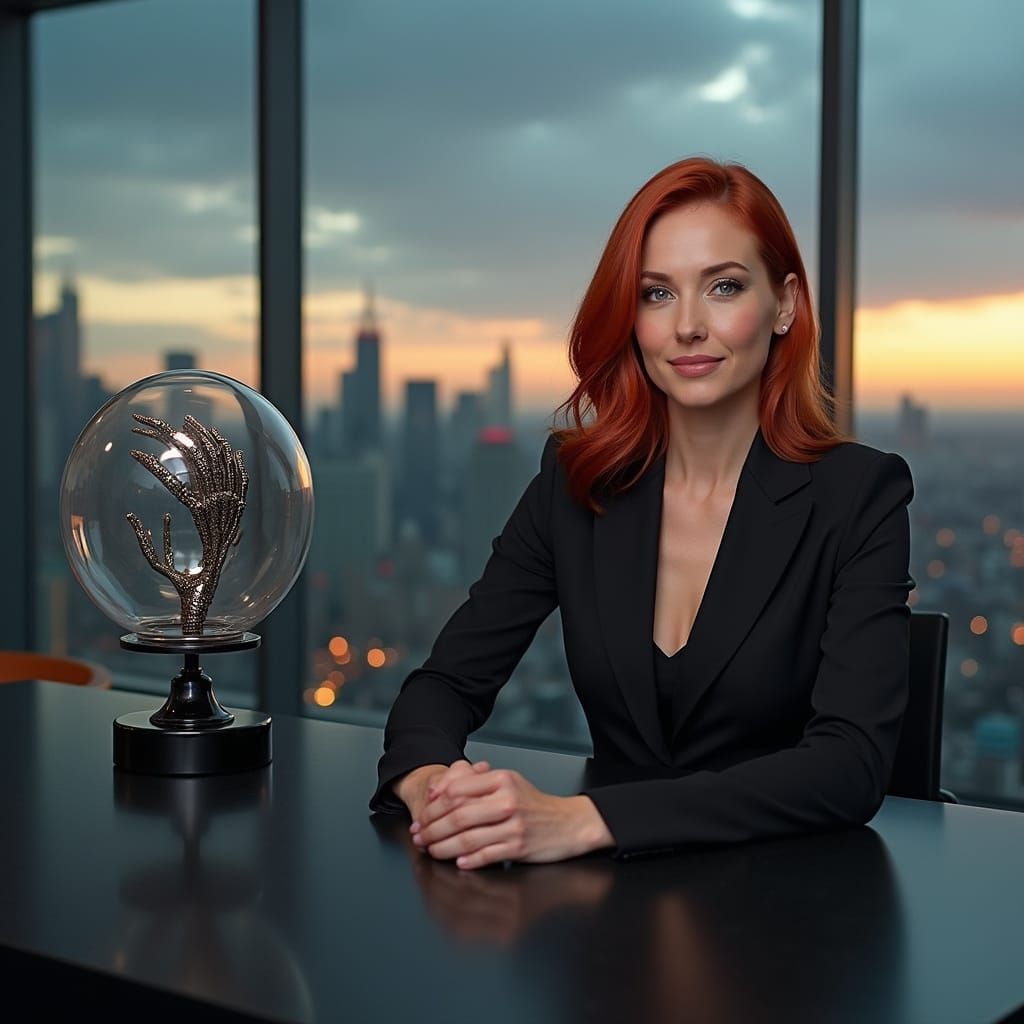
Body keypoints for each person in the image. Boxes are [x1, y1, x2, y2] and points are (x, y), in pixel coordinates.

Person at [368, 156, 914, 869]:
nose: (688, 326)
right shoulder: (576, 484)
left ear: (783, 305)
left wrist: (585, 820)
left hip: (791, 914)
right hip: (608, 922)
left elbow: (849, 766)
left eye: (723, 287)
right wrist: (437, 791)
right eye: (657, 294)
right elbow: (444, 685)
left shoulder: (860, 495)